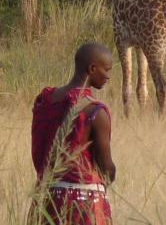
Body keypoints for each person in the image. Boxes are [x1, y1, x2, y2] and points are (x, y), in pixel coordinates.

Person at [29, 42, 116, 225]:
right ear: (92, 68)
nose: (108, 76)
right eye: (106, 70)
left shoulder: (45, 102)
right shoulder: (95, 112)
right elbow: (106, 169)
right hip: (83, 206)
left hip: (45, 200)